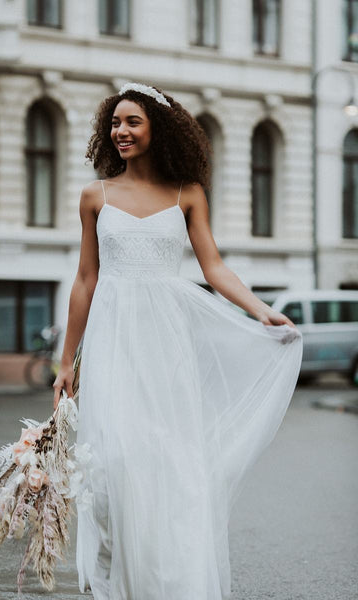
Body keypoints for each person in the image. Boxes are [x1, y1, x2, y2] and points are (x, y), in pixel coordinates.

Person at [53, 82, 303, 600]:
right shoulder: (95, 196)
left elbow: (213, 267)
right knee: (113, 465)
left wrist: (260, 310)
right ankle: (119, 581)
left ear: (157, 129)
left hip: (167, 342)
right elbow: (85, 280)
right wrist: (66, 362)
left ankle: (171, 582)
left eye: (133, 122)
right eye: (115, 123)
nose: (120, 131)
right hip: (113, 340)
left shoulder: (188, 192)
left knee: (168, 462)